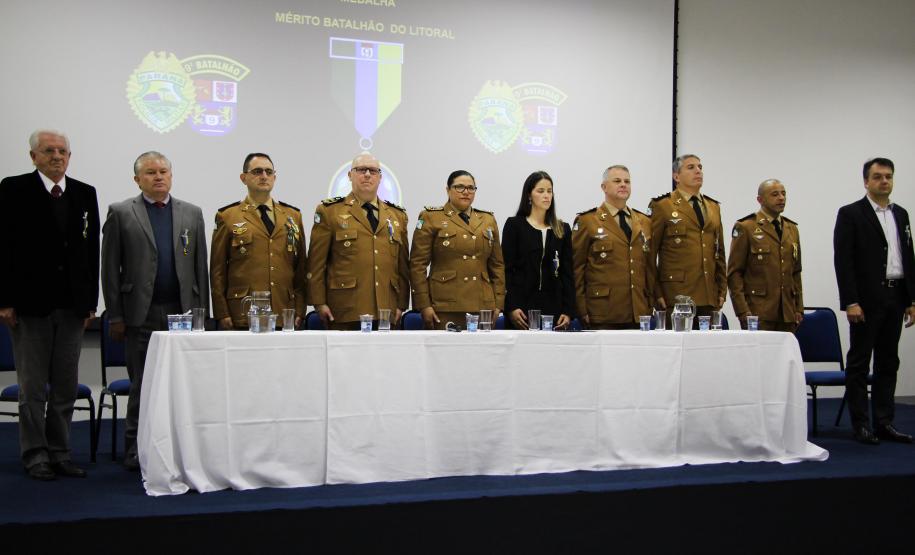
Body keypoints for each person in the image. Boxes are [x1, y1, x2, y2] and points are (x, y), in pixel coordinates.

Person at [0, 130, 99, 480]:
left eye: (62, 151)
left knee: (64, 386)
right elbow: (4, 247)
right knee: (32, 387)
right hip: (29, 306)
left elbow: (91, 253)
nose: (57, 156)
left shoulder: (85, 194)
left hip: (72, 307)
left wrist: (90, 302)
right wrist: (5, 300)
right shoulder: (13, 190)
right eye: (49, 151)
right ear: (33, 156)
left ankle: (60, 452)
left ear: (70, 157)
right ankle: (35, 454)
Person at [101, 151, 209, 471]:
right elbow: (109, 271)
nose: (158, 177)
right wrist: (116, 316)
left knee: (181, 385)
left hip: (182, 313)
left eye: (163, 171)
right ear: (138, 179)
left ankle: (178, 447)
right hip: (140, 314)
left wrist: (201, 314)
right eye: (150, 173)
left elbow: (199, 268)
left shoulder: (192, 213)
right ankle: (136, 448)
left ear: (171, 176)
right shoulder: (121, 213)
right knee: (142, 385)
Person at [834, 157, 915, 445]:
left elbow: (907, 257)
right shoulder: (851, 213)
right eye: (878, 176)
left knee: (888, 362)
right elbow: (844, 262)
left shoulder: (901, 214)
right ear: (866, 181)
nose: (884, 181)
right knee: (859, 363)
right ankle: (861, 424)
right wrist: (851, 301)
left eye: (889, 176)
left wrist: (911, 299)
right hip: (865, 300)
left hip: (895, 295)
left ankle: (885, 422)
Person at [306, 153, 410, 330]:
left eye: (373, 171)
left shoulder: (397, 215)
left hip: (387, 309)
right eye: (361, 170)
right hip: (345, 309)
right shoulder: (330, 212)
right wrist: (319, 303)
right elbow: (316, 264)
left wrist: (401, 304)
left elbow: (402, 266)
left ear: (380, 177)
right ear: (350, 175)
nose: (367, 174)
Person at [211, 153, 307, 330]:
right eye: (257, 171)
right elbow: (217, 271)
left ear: (274, 177)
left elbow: (300, 268)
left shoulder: (292, 216)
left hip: (284, 310)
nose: (264, 176)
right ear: (243, 178)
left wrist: (300, 310)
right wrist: (222, 313)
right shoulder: (228, 216)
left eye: (269, 172)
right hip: (243, 311)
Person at [410, 170, 505, 330]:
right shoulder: (430, 217)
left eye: (471, 188)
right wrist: (423, 305)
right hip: (444, 305)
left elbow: (497, 265)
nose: (466, 192)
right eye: (459, 187)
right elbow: (417, 264)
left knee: (484, 354)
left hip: (483, 305)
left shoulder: (487, 220)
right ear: (447, 190)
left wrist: (498, 304)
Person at [573, 165, 654, 329]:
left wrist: (650, 303)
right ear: (604, 187)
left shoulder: (644, 221)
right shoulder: (588, 221)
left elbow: (649, 268)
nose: (623, 184)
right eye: (617, 181)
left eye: (627, 181)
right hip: (603, 312)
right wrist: (581, 308)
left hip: (638, 311)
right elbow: (577, 268)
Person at [649, 154, 726, 323]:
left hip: (709, 296)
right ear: (676, 176)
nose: (698, 171)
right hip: (676, 296)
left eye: (700, 167)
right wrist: (656, 293)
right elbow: (649, 255)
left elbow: (719, 252)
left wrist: (722, 290)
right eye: (691, 167)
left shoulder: (713, 207)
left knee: (708, 349)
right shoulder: (662, 206)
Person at [727, 179, 803, 331]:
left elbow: (795, 272)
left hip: (787, 313)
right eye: (775, 194)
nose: (781, 198)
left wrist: (798, 308)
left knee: (785, 355)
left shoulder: (791, 229)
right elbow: (735, 274)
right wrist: (742, 311)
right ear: (760, 199)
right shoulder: (746, 227)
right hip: (758, 312)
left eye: (783, 194)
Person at [502, 171, 574, 329]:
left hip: (554, 307)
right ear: (529, 194)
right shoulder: (514, 226)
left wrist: (568, 310)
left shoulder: (562, 229)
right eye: (540, 191)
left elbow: (567, 273)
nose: (546, 195)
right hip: (521, 308)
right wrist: (511, 307)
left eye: (549, 191)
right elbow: (506, 270)